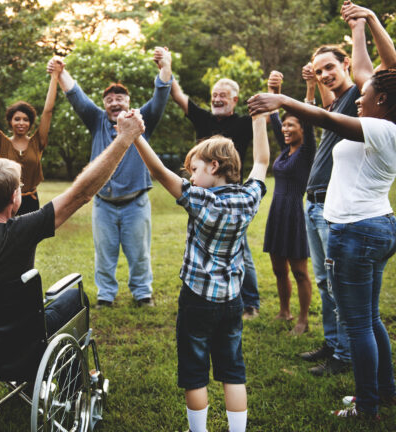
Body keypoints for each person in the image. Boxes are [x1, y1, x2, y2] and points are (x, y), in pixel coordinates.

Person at [248, 3, 396, 419]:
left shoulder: (379, 128)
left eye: (366, 95)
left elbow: (326, 118)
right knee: (370, 319)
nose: (359, 98)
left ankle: (367, 406)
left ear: (383, 100)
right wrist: (362, 24)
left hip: (357, 231)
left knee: (359, 323)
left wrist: (283, 98)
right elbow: (366, 71)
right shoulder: (391, 127)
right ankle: (385, 393)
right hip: (376, 226)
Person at [0, 83, 147, 332]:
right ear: (15, 198)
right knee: (76, 298)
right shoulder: (24, 230)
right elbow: (82, 193)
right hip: (20, 335)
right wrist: (124, 139)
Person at [132, 112, 270, 432]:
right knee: (233, 370)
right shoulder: (249, 198)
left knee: (195, 373)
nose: (191, 177)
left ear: (214, 166)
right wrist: (260, 119)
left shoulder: (200, 200)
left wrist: (135, 135)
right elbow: (262, 160)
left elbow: (158, 171)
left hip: (197, 299)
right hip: (232, 300)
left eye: (195, 170)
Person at [296, 0, 396, 377]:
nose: (325, 74)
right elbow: (323, 106)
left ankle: (344, 355)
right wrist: (311, 83)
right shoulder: (343, 102)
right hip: (315, 202)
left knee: (341, 288)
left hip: (338, 210)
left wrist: (363, 23)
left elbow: (386, 65)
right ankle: (333, 342)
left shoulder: (360, 97)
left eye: (330, 67)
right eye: (319, 69)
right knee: (326, 283)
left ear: (346, 66)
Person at [52, 47, 173, 308]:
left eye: (120, 98)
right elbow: (76, 96)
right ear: (104, 104)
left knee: (139, 253)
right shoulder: (96, 120)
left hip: (136, 203)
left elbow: (161, 95)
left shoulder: (141, 121)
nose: (115, 103)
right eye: (109, 100)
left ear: (128, 102)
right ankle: (105, 296)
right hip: (103, 205)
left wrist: (166, 66)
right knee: (104, 254)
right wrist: (61, 72)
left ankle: (142, 294)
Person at [166, 58, 261, 319]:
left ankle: (250, 302)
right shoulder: (204, 118)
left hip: (231, 198)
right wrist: (166, 66)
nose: (217, 99)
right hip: (201, 194)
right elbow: (178, 95)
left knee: (240, 249)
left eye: (223, 95)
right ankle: (202, 290)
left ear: (235, 100)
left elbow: (264, 135)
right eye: (214, 95)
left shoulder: (244, 123)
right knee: (200, 244)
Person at [262, 70, 316, 335]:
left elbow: (309, 116)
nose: (285, 129)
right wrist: (274, 90)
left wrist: (310, 87)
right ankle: (284, 311)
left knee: (299, 271)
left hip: (294, 213)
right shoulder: (285, 150)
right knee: (278, 268)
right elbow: (273, 117)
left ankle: (303, 320)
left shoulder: (306, 151)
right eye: (284, 126)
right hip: (277, 212)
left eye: (291, 125)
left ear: (302, 129)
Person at [0, 62, 59, 215]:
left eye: (25, 119)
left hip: (31, 201)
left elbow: (48, 111)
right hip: (5, 201)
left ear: (30, 123)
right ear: (10, 122)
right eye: (17, 119)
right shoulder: (1, 142)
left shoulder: (38, 142)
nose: (21, 123)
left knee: (30, 232)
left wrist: (54, 76)